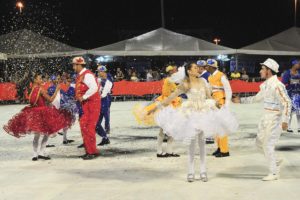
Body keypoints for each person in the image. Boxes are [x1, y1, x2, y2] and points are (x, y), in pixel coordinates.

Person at [148, 62, 238, 182]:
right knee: (191, 144)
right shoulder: (185, 83)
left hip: (203, 113)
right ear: (189, 71)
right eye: (195, 67)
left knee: (202, 144)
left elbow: (209, 97)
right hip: (191, 114)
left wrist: (218, 106)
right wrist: (155, 107)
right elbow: (171, 97)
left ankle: (203, 170)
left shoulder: (203, 81)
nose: (198, 69)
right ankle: (190, 171)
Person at [233, 58, 291, 181]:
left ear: (269, 71)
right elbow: (257, 98)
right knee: (259, 143)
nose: (260, 71)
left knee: (267, 145)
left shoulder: (277, 85)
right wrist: (241, 101)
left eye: (262, 69)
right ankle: (276, 160)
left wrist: (285, 120)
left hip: (275, 119)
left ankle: (274, 173)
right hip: (265, 118)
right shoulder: (265, 85)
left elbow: (287, 102)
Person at [3, 73, 72, 161]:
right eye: (39, 79)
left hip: (34, 113)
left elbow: (33, 101)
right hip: (42, 113)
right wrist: (57, 90)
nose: (41, 80)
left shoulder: (31, 89)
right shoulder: (40, 89)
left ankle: (35, 155)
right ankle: (41, 153)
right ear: (35, 80)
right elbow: (50, 99)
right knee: (46, 133)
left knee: (37, 135)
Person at [73, 57, 101, 160]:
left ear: (79, 65)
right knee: (85, 126)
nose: (73, 67)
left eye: (74, 65)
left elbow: (94, 88)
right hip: (87, 104)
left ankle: (91, 151)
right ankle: (91, 150)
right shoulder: (82, 75)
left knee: (88, 127)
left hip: (91, 104)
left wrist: (83, 97)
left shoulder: (87, 75)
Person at [207, 59, 232, 157]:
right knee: (216, 127)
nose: (206, 67)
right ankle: (219, 147)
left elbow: (228, 90)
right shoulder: (210, 77)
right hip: (214, 103)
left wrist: (227, 105)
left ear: (213, 66)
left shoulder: (221, 75)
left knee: (222, 127)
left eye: (208, 66)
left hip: (221, 103)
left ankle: (225, 151)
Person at [155, 65, 182, 158]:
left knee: (172, 129)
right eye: (175, 71)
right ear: (171, 72)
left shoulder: (172, 80)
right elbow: (171, 92)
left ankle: (169, 150)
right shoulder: (169, 80)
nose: (177, 72)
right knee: (163, 129)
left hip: (172, 105)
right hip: (167, 106)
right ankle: (159, 151)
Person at [197, 60, 214, 144]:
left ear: (201, 68)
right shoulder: (206, 75)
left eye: (197, 67)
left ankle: (209, 136)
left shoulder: (204, 77)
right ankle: (208, 136)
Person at [281, 59, 300, 133]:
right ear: (294, 64)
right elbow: (283, 83)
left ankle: (299, 127)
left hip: (298, 94)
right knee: (290, 111)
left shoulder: (299, 72)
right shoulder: (287, 73)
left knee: (299, 111)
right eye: (298, 64)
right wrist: (294, 81)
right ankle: (288, 126)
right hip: (290, 94)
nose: (299, 65)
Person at [96, 65, 113, 146]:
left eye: (100, 71)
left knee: (105, 117)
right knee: (96, 123)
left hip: (105, 101)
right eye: (98, 71)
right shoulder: (98, 79)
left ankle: (106, 132)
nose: (98, 73)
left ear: (103, 71)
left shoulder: (109, 80)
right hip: (100, 101)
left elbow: (104, 93)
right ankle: (104, 137)